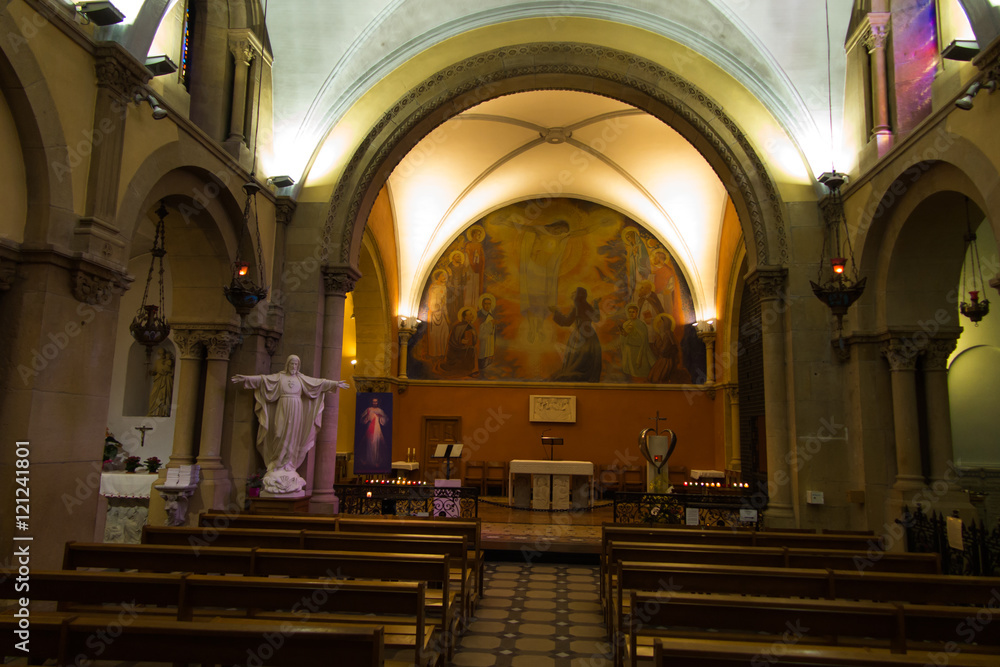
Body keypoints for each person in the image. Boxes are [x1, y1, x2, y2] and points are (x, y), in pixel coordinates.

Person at [231, 355, 348, 495]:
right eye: (291, 364)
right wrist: (246, 379)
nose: (293, 367)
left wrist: (334, 384)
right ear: (287, 365)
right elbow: (263, 380)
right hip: (283, 407)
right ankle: (276, 463)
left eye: (296, 365)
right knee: (279, 433)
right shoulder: (280, 378)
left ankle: (288, 464)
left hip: (296, 409)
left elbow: (317, 383)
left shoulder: (300, 379)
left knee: (293, 436)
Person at [549, 286, 602, 382]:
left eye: (574, 296)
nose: (572, 299)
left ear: (578, 297)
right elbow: (597, 318)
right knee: (587, 357)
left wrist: (556, 312)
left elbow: (566, 322)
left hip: (579, 336)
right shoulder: (588, 307)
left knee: (576, 358)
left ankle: (577, 374)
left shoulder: (576, 308)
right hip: (591, 336)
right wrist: (595, 304)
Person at [620, 303, 656, 380]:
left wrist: (629, 337)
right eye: (629, 312)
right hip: (628, 351)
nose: (631, 314)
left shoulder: (641, 325)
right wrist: (624, 336)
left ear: (636, 313)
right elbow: (622, 339)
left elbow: (643, 341)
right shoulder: (626, 324)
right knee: (629, 372)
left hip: (638, 351)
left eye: (633, 312)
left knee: (638, 373)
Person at [442, 306, 478, 375]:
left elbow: (474, 342)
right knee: (470, 350)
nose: (472, 315)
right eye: (470, 314)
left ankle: (471, 369)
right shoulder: (458, 326)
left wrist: (474, 335)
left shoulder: (471, 326)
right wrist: (461, 342)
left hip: (466, 347)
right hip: (456, 348)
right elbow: (453, 340)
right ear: (465, 317)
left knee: (472, 349)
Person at [359, 396, 388, 470]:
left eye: (376, 402)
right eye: (373, 401)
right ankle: (368, 460)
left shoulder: (380, 410)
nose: (374, 403)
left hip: (377, 429)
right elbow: (362, 418)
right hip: (370, 429)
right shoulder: (368, 409)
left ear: (378, 402)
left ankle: (376, 461)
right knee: (368, 443)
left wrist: (380, 417)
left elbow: (385, 419)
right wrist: (367, 418)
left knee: (377, 444)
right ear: (372, 402)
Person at [148, 348, 174, 417]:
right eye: (160, 354)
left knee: (164, 395)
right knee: (153, 395)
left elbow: (169, 370)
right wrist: (152, 372)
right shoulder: (157, 361)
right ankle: (153, 411)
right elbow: (155, 370)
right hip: (158, 380)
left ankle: (163, 412)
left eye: (163, 353)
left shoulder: (168, 361)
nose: (162, 355)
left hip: (165, 380)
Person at [477, 293, 496, 372]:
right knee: (482, 352)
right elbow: (478, 327)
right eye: (486, 304)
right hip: (482, 339)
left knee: (488, 352)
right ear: (482, 304)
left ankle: (486, 362)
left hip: (489, 338)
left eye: (489, 304)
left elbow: (493, 328)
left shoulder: (490, 314)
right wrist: (489, 324)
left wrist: (492, 325)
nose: (488, 306)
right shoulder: (479, 314)